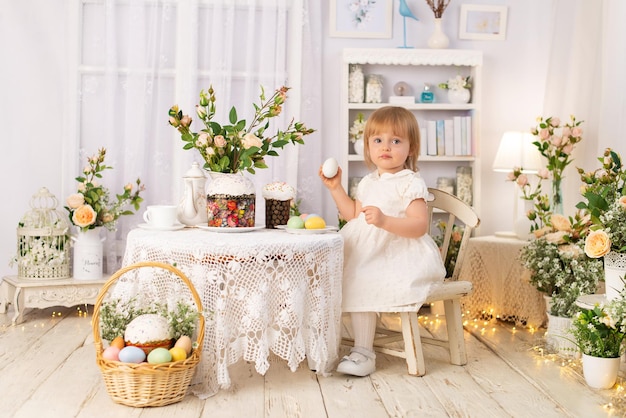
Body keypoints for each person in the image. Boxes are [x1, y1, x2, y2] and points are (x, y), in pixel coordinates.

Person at [319, 106, 446, 377]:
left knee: (362, 277)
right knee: (342, 275)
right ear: (368, 146)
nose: (385, 147)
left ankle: (363, 352)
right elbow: (353, 215)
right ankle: (328, 341)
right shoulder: (368, 182)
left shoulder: (409, 181)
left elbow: (419, 225)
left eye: (396, 141)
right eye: (378, 140)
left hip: (398, 252)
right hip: (367, 251)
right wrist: (335, 188)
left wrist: (385, 220)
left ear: (410, 148)